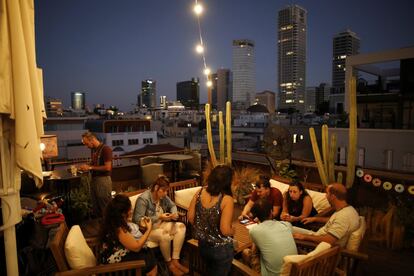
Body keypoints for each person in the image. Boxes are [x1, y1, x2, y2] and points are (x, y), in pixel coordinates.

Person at [133, 175, 188, 276]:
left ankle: (176, 260)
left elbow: (172, 205)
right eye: (164, 190)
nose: (166, 193)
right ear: (156, 188)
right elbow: (137, 220)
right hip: (147, 231)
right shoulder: (144, 199)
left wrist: (174, 213)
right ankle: (169, 264)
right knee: (165, 235)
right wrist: (159, 217)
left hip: (161, 224)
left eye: (167, 190)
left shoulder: (162, 196)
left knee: (181, 227)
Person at [188, 165, 235, 276]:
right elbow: (225, 230)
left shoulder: (200, 192)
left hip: (203, 246)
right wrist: (233, 231)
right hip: (221, 250)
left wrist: (204, 227)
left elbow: (190, 217)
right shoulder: (226, 199)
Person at [99, 194, 157, 276]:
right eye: (129, 209)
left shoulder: (113, 221)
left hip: (118, 254)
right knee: (147, 256)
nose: (131, 211)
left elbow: (129, 239)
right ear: (123, 213)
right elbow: (136, 247)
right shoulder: (118, 227)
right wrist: (149, 229)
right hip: (112, 264)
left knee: (147, 252)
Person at [293, 183, 360, 247]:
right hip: (317, 236)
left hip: (316, 246)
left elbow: (329, 240)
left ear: (333, 197)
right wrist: (315, 219)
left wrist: (304, 237)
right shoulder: (349, 209)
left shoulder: (343, 217)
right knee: (287, 226)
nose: (325, 196)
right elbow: (334, 221)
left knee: (286, 230)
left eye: (327, 193)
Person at [246, 198, 298, 276]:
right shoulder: (287, 225)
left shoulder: (254, 231)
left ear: (256, 216)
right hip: (294, 272)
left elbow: (255, 250)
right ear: (271, 212)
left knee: (246, 252)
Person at [79, 131, 112, 217]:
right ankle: (100, 227)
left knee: (105, 206)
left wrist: (90, 167)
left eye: (87, 144)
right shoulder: (95, 150)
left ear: (92, 140)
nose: (86, 146)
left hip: (103, 181)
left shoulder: (105, 149)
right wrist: (87, 166)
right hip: (95, 180)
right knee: (96, 206)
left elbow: (108, 167)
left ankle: (108, 227)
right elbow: (94, 164)